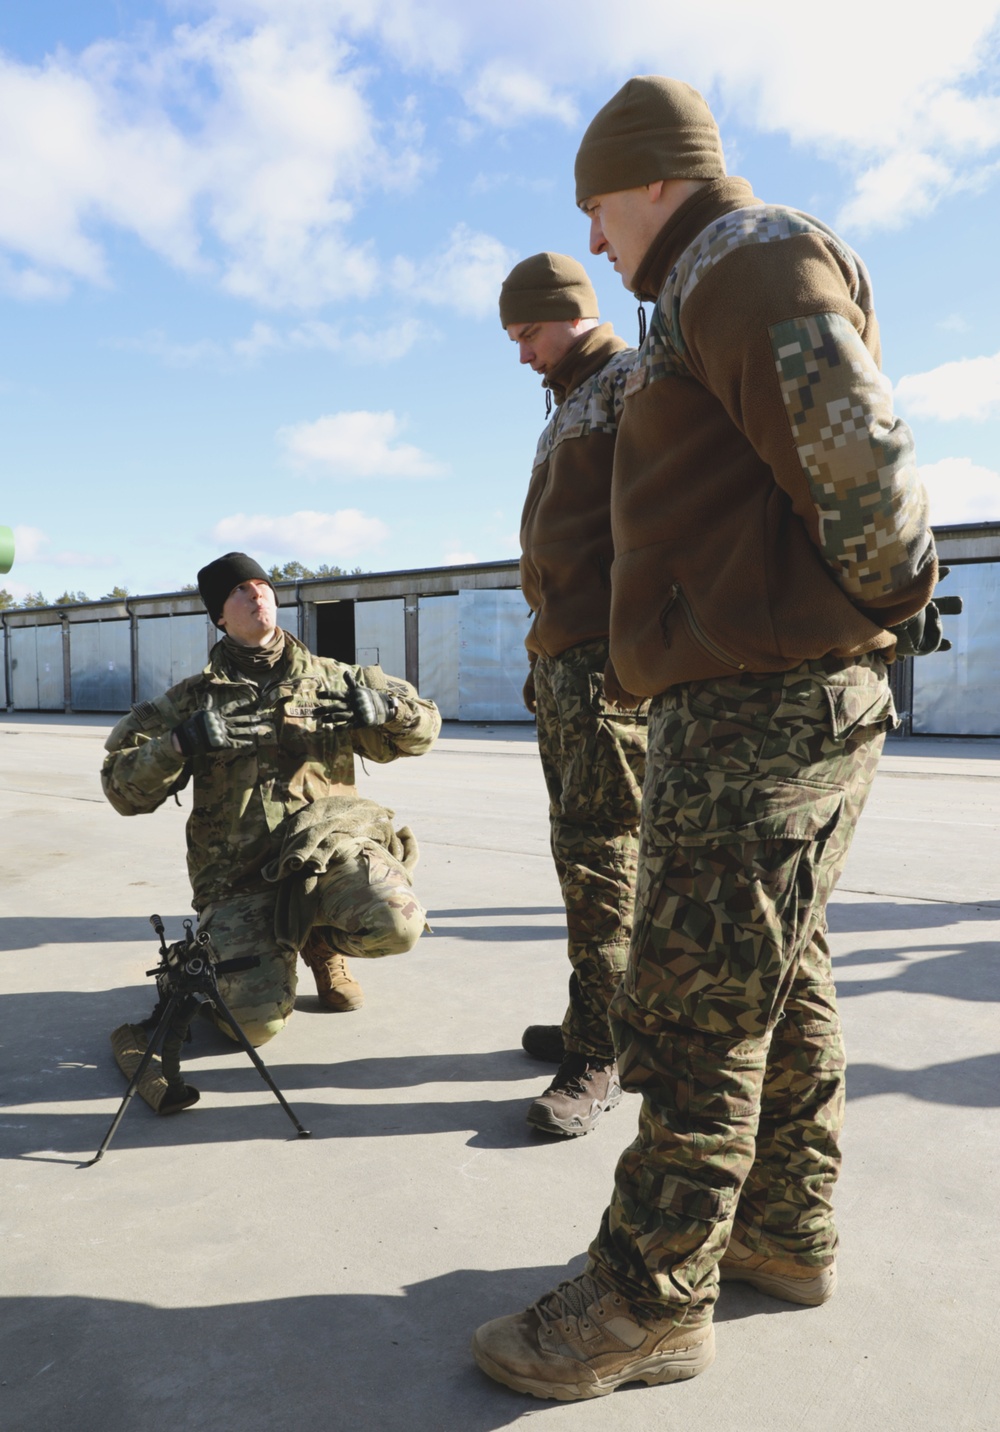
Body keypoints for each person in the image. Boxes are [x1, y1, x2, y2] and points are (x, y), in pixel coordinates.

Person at [474, 76, 949, 1400]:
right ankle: (784, 1232)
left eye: (596, 202)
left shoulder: (745, 261)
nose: (592, 228)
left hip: (764, 702)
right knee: (776, 984)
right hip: (750, 690)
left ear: (650, 181)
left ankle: (646, 1301)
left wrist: (868, 608)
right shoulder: (702, 287)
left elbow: (859, 468)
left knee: (690, 1012)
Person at [102, 552, 439, 1109]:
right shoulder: (189, 701)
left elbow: (425, 728)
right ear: (219, 616)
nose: (256, 593)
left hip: (327, 854)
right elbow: (121, 788)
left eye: (262, 584)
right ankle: (227, 957)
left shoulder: (335, 678)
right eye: (239, 590)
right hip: (240, 879)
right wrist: (179, 744)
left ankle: (320, 942)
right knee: (251, 1029)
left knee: (398, 926)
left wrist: (386, 710)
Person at [500, 252, 646, 1137]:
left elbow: (660, 530)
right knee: (576, 852)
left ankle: (600, 1052)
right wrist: (541, 654)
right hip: (566, 665)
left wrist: (621, 656)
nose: (521, 354)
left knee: (603, 861)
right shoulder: (571, 401)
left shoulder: (629, 382)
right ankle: (591, 1010)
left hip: (606, 670)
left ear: (571, 313)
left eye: (527, 333)